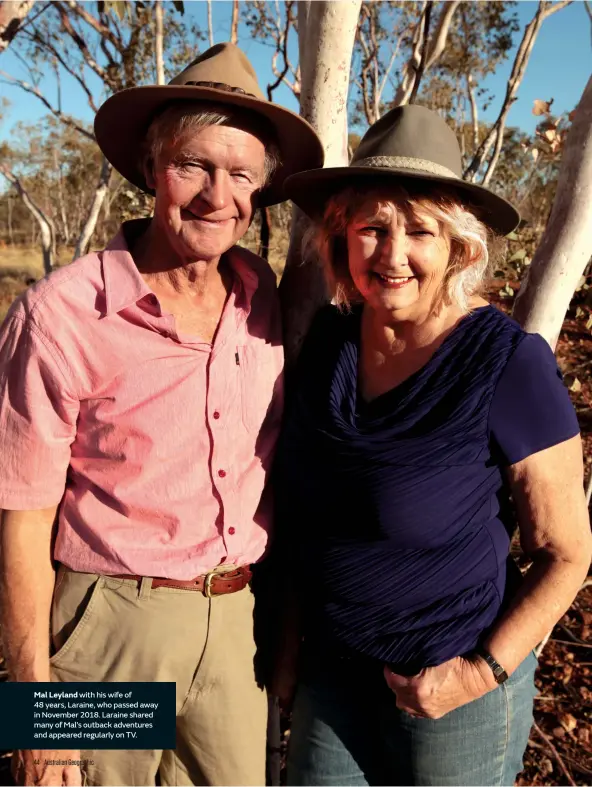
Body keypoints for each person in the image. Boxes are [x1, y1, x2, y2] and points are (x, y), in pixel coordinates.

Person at [0, 43, 323, 787]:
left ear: (260, 190)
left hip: (237, 624)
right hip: (115, 628)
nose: (218, 195)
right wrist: (31, 709)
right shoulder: (61, 317)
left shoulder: (261, 295)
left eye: (241, 174)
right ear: (151, 170)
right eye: (193, 166)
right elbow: (20, 516)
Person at [273, 105, 592, 786]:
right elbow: (308, 514)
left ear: (459, 246)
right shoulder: (328, 343)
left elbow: (567, 552)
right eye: (373, 228)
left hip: (451, 682)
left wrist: (480, 672)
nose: (392, 253)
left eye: (419, 230)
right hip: (333, 670)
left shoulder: (508, 365)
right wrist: (293, 641)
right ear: (342, 237)